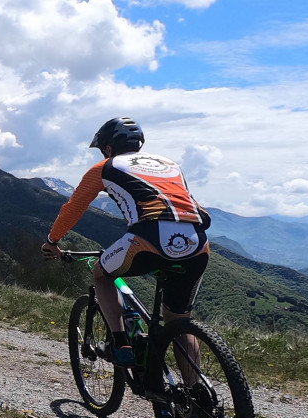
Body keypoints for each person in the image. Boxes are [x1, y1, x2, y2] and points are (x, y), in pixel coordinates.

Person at [41, 117, 211, 368]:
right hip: (197, 243)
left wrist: (52, 240)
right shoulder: (170, 165)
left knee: (101, 274)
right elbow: (199, 211)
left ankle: (120, 344)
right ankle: (196, 397)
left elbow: (73, 208)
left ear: (109, 148)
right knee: (178, 324)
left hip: (147, 238)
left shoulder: (104, 167)